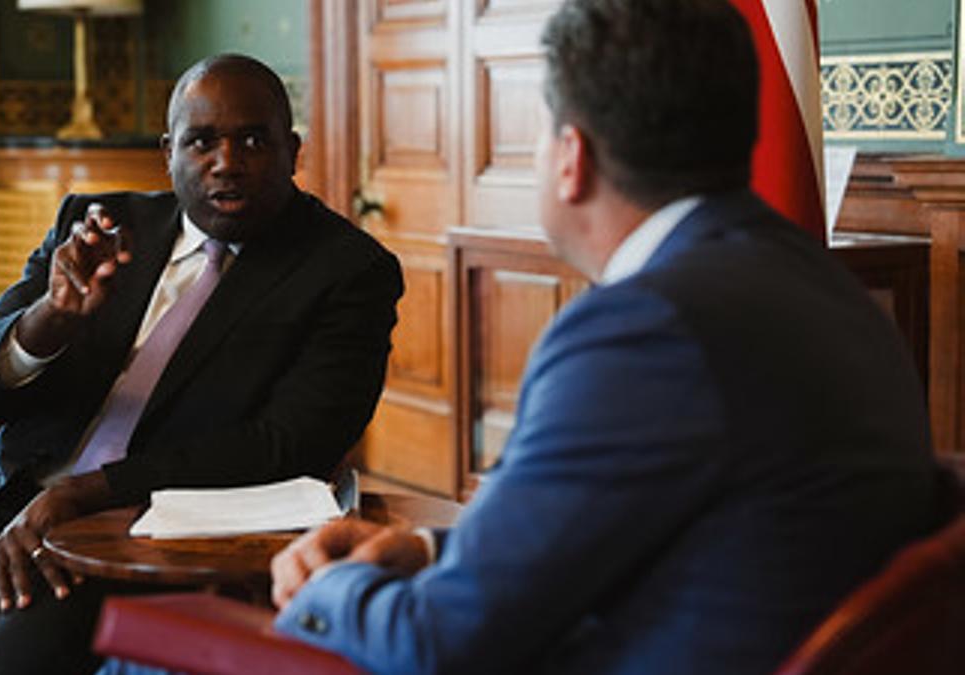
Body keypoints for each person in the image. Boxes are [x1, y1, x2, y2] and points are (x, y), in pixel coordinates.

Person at [260, 1, 944, 673]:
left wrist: (328, 590)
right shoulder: (822, 284)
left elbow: (438, 642)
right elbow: (659, 529)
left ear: (569, 156)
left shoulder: (645, 328)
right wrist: (430, 550)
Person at [0, 53, 402, 675]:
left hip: (145, 531)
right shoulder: (97, 225)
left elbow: (287, 444)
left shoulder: (347, 272)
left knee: (20, 653)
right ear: (168, 152)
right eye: (202, 141)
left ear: (293, 151)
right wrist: (51, 319)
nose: (226, 163)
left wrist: (85, 495)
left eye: (253, 141)